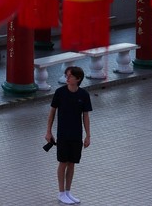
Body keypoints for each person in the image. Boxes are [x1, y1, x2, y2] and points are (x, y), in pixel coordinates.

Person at [45, 66, 92, 204]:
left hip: (77, 134)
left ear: (77, 79)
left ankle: (68, 192)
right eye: (66, 75)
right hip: (63, 134)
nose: (67, 78)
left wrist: (88, 135)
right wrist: (48, 131)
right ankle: (61, 192)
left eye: (70, 76)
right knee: (63, 163)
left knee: (72, 164)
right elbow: (52, 112)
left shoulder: (84, 95)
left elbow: (86, 116)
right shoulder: (60, 93)